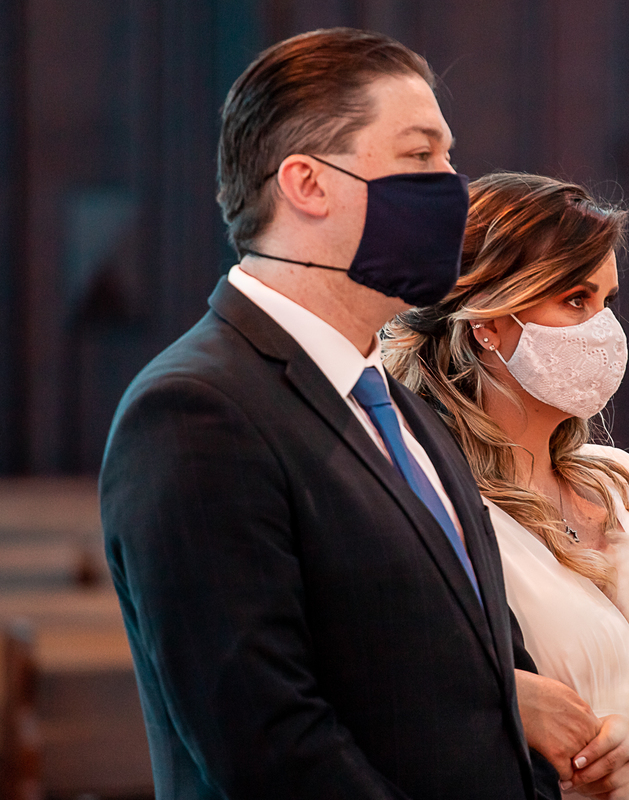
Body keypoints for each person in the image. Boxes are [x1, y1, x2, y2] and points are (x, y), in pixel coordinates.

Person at [100, 29, 582, 799]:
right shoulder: (196, 410)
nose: (453, 188)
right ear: (307, 184)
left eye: (449, 157)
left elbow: (479, 674)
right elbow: (269, 743)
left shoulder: (400, 409)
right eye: (420, 155)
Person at [383, 172, 629, 799]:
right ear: (487, 324)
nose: (603, 329)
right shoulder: (439, 511)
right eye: (575, 299)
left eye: (606, 300)